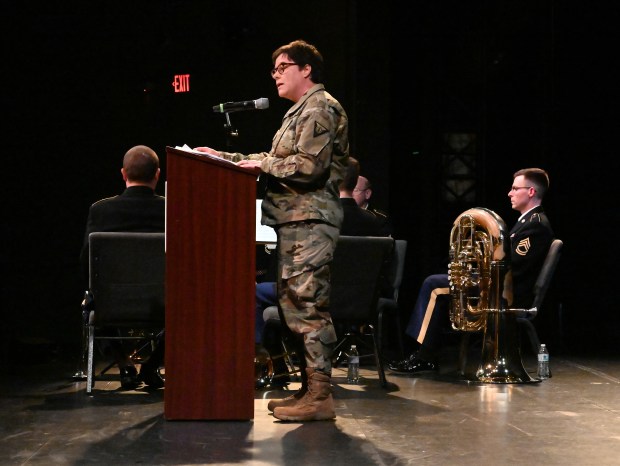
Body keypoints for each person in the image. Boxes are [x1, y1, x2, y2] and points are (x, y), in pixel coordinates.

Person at [194, 40, 349, 421]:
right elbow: (276, 160)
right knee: (295, 305)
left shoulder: (320, 107)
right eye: (275, 68)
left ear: (306, 69)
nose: (275, 74)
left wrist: (260, 168)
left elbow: (308, 167)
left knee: (308, 306)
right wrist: (224, 158)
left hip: (310, 221)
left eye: (283, 67)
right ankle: (309, 391)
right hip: (295, 222)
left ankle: (320, 396)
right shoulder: (299, 112)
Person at [389, 168, 554, 374]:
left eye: (514, 188)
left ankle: (424, 356)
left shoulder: (536, 225)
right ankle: (426, 353)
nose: (509, 193)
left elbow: (514, 268)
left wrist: (476, 274)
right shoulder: (526, 223)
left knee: (434, 285)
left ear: (530, 192)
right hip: (498, 286)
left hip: (507, 294)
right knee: (441, 282)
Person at [254, 157, 388, 387]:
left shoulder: (319, 217)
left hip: (316, 298)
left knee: (256, 292)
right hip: (359, 304)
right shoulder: (376, 223)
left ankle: (268, 364)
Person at [80, 145, 166, 389]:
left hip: (111, 306)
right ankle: (151, 366)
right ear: (157, 174)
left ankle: (125, 364)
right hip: (162, 304)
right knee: (190, 307)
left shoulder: (101, 210)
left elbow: (86, 261)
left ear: (123, 174)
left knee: (94, 297)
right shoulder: (171, 209)